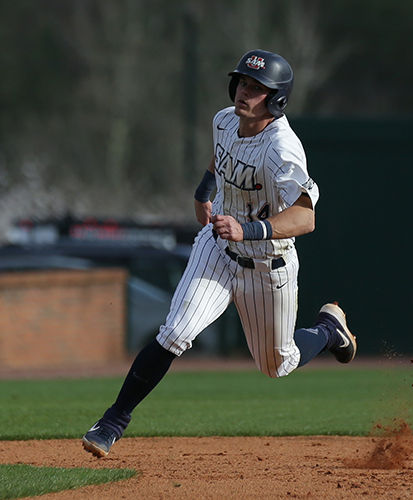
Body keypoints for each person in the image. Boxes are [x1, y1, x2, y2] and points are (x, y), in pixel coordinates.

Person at [82, 49, 357, 458]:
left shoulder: (283, 148)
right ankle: (112, 422)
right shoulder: (224, 120)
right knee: (175, 332)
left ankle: (327, 330)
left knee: (276, 365)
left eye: (258, 88)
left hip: (268, 263)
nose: (245, 91)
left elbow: (305, 217)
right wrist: (203, 192)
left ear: (277, 99)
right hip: (217, 249)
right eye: (243, 82)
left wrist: (249, 229)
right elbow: (221, 159)